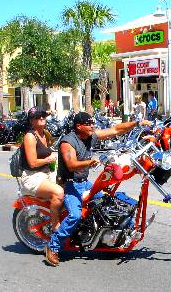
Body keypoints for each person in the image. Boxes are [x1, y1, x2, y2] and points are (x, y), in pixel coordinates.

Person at [44, 112, 153, 266]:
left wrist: (137, 123)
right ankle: (53, 246)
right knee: (75, 215)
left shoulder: (90, 136)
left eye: (92, 123)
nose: (92, 126)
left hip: (84, 182)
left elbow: (115, 130)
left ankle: (111, 237)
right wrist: (89, 162)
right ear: (78, 126)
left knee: (107, 202)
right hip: (69, 184)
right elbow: (71, 164)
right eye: (88, 124)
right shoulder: (68, 142)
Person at [19, 107, 63, 232]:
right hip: (33, 177)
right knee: (58, 193)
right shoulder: (30, 137)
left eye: (43, 115)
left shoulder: (45, 134)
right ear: (32, 121)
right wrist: (48, 160)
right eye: (38, 116)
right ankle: (56, 229)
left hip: (47, 173)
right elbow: (32, 163)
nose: (42, 118)